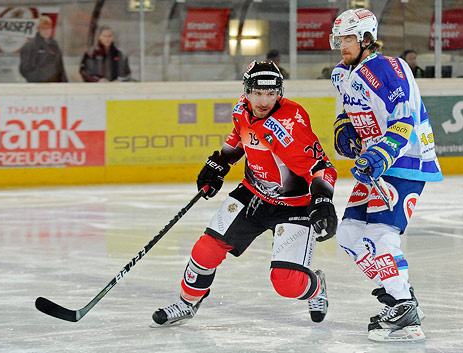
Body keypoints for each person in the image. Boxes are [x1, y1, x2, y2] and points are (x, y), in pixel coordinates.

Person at [152, 61, 338, 327]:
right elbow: (240, 137)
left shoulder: (290, 125)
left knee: (287, 283)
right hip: (253, 194)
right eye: (257, 93)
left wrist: (322, 201)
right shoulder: (241, 107)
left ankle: (316, 285)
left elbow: (322, 167)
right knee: (206, 249)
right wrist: (220, 163)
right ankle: (186, 303)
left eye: (271, 93)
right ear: (247, 91)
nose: (264, 100)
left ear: (279, 93)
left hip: (294, 205)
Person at [329, 8, 443, 342]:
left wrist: (379, 153)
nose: (341, 46)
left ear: (366, 38)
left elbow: (403, 119)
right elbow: (346, 110)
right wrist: (344, 129)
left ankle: (403, 305)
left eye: (348, 39)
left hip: (406, 160)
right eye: (339, 39)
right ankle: (398, 295)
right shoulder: (341, 73)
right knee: (349, 234)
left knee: (381, 231)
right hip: (374, 164)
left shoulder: (389, 68)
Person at [19, 16, 67, 82]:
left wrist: (64, 82)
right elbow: (24, 69)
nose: (46, 31)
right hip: (39, 85)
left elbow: (60, 66)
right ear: (38, 29)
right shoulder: (30, 46)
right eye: (43, 28)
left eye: (48, 28)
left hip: (55, 84)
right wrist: (38, 81)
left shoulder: (54, 44)